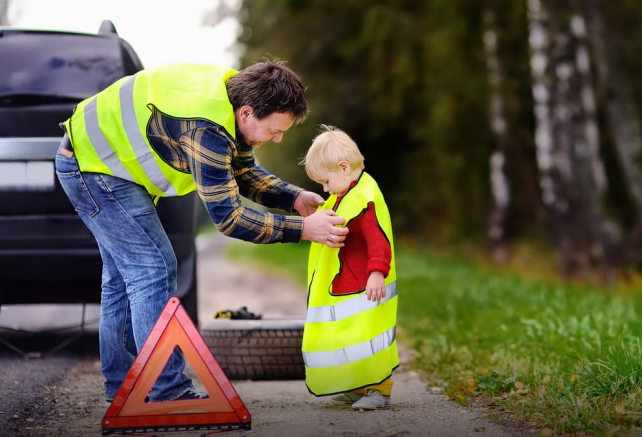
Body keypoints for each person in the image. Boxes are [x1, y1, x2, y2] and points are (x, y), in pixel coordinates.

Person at [55, 60, 349, 403]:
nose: (278, 139)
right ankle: (166, 391)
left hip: (101, 162)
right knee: (152, 267)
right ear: (247, 113)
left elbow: (240, 171)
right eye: (274, 130)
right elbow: (229, 218)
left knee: (123, 277)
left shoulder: (232, 100)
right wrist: (301, 229)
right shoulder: (207, 127)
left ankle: (124, 387)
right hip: (91, 167)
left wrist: (293, 197)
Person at [300, 125, 398, 411]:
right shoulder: (345, 195)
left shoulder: (364, 198)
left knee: (371, 338)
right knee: (351, 338)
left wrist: (377, 273)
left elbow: (378, 239)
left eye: (326, 182)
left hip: (366, 286)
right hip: (347, 285)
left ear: (344, 167)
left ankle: (380, 389)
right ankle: (356, 387)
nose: (325, 188)